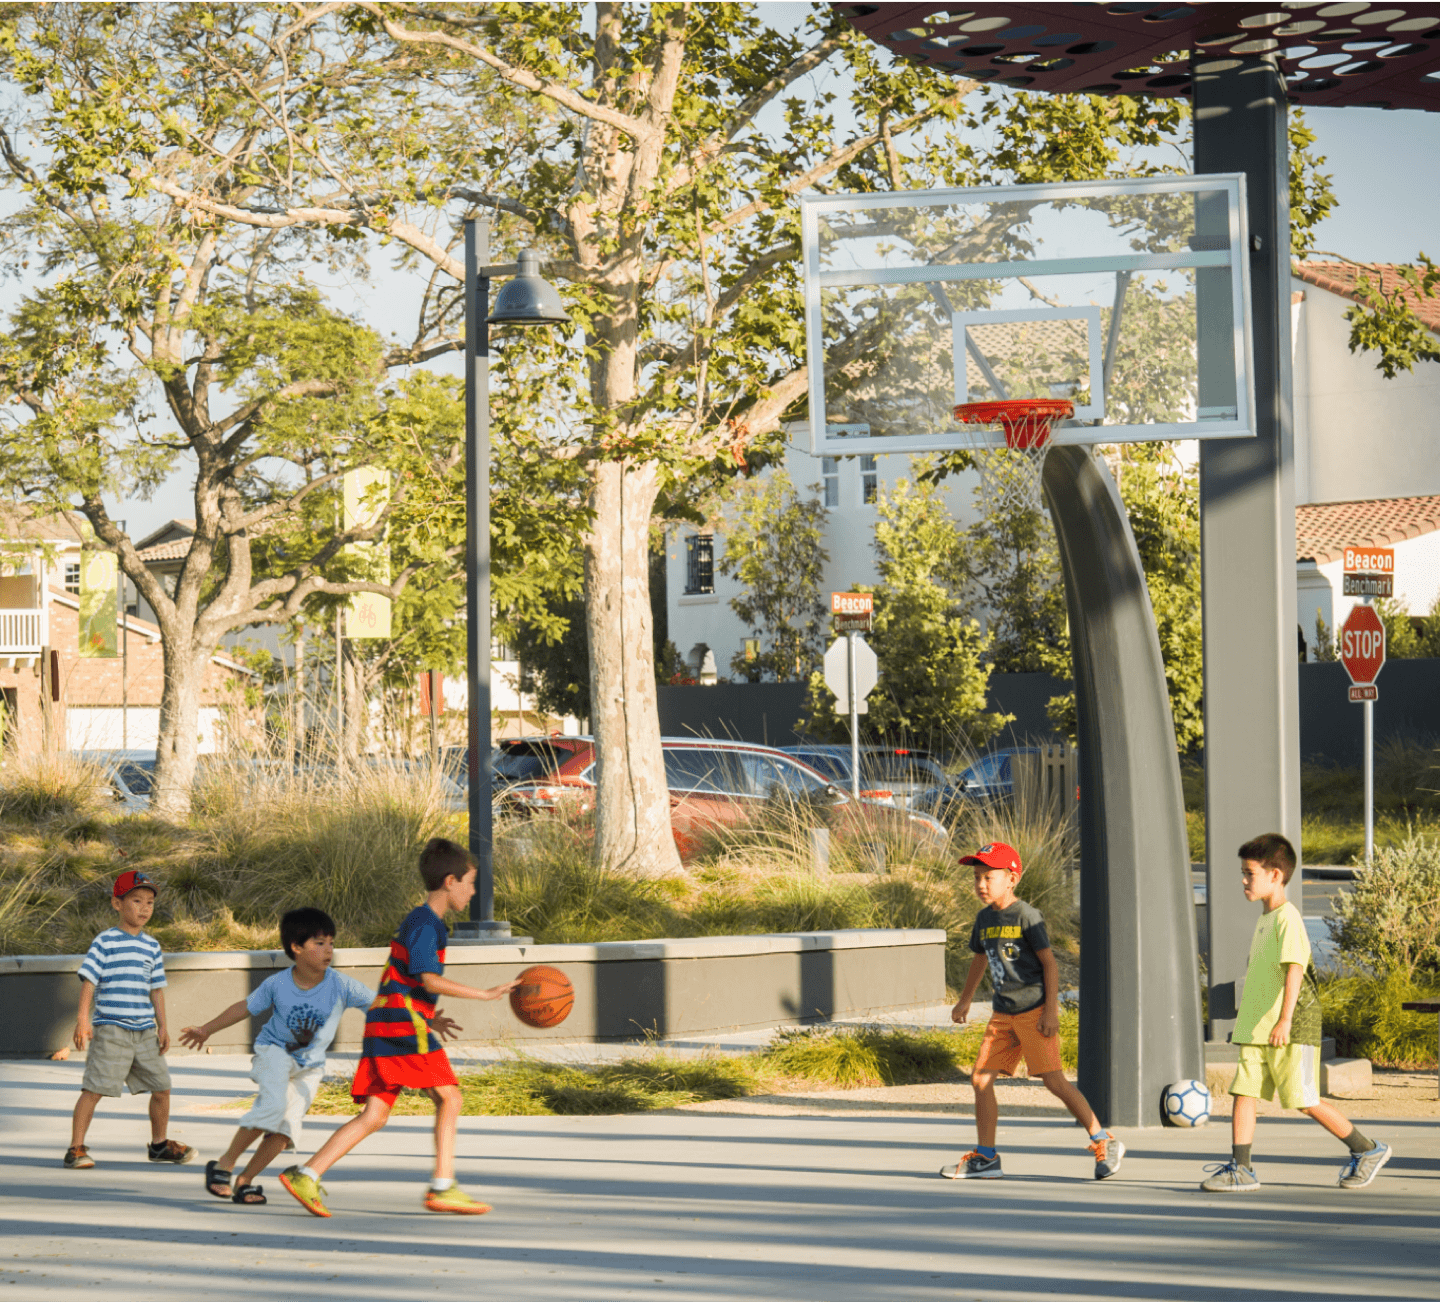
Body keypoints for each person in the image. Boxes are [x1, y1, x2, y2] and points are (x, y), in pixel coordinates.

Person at [278, 838, 519, 1218]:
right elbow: (428, 980)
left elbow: (402, 979)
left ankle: (307, 1174)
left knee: (375, 1115)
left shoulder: (421, 921)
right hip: (401, 1028)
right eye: (470, 883)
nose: (473, 892)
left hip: (391, 1022)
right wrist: (485, 994)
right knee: (450, 1098)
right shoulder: (427, 924)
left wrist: (428, 1016)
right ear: (450, 881)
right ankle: (443, 1186)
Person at [179, 907, 417, 1205]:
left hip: (310, 1067)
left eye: (331, 942)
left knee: (285, 1131)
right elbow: (244, 1007)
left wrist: (420, 1023)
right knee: (273, 1107)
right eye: (319, 943)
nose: (328, 949)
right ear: (296, 947)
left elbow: (380, 1006)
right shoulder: (278, 984)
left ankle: (245, 1181)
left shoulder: (340, 984)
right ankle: (225, 1164)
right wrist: (207, 1029)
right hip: (274, 1052)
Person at [1200, 832, 1392, 1192]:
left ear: (1275, 875)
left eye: (1250, 873)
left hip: (1289, 1027)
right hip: (1257, 1028)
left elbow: (1294, 971)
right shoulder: (1265, 919)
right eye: (1243, 872)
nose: (1243, 879)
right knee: (1244, 1093)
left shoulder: (1288, 918)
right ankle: (1241, 1169)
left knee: (1304, 1099)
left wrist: (1285, 1021)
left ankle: (1367, 1150)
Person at [941, 841, 1123, 1182]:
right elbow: (980, 958)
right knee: (980, 1079)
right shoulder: (983, 919)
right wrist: (964, 999)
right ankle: (986, 1158)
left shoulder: (1026, 915)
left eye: (988, 876)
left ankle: (1103, 1139)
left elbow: (1049, 965)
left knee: (1054, 1081)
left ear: (1012, 878)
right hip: (1002, 1013)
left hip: (1033, 1011)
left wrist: (1050, 1012)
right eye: (977, 877)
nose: (980, 884)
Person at [65, 870, 195, 1169]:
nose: (144, 908)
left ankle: (159, 1146)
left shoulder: (152, 946)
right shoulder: (105, 941)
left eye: (149, 902)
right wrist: (83, 1019)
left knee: (162, 1088)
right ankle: (75, 1148)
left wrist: (162, 1025)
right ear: (117, 903)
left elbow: (157, 989)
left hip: (145, 1031)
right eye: (136, 900)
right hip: (111, 1028)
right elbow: (89, 981)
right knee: (94, 1089)